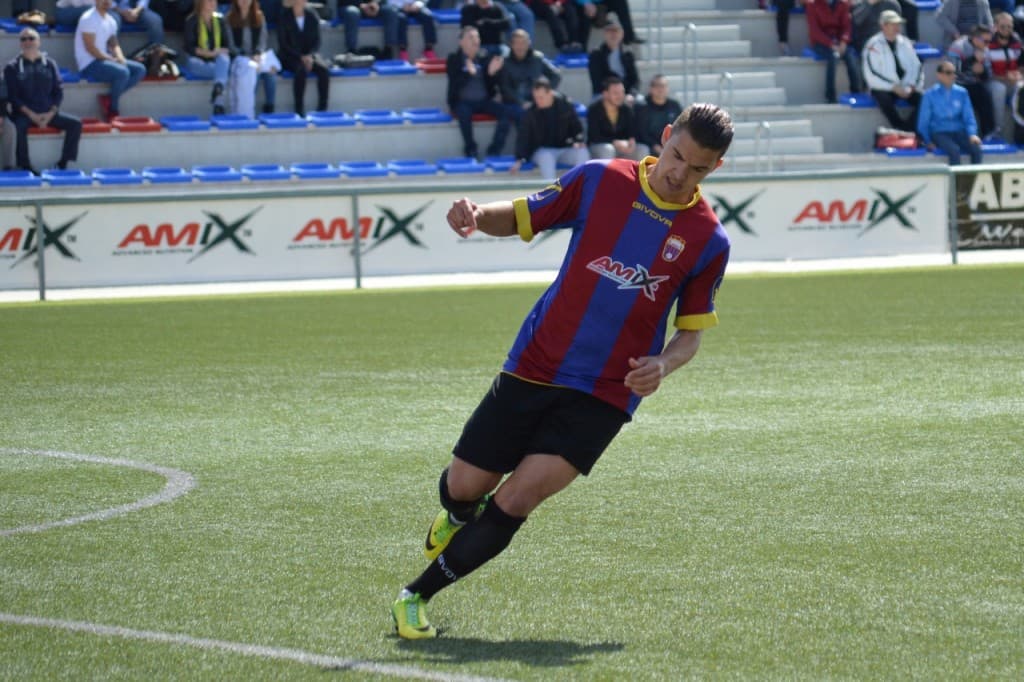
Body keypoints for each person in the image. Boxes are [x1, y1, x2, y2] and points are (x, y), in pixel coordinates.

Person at [390, 102, 734, 640]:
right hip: (536, 364)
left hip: (606, 394)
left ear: (714, 169)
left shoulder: (709, 240)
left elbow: (690, 333)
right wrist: (479, 216)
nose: (679, 172)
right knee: (464, 486)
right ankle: (458, 514)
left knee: (518, 497)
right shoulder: (600, 180)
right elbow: (525, 213)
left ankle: (416, 595)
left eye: (697, 168)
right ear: (665, 138)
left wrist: (663, 364)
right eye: (676, 156)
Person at [5, 28, 82, 174]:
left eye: (31, 38)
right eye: (23, 39)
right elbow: (13, 97)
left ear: (39, 42)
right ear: (20, 44)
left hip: (48, 113)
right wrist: (31, 115)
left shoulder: (50, 64)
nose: (27, 42)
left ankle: (63, 163)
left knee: (75, 124)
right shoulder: (12, 67)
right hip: (24, 114)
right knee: (18, 127)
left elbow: (58, 91)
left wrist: (51, 113)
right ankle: (25, 165)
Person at [447, 26, 513, 158]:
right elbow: (454, 82)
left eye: (477, 37)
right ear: (461, 42)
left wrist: (492, 73)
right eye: (470, 37)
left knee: (506, 113)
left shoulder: (484, 56)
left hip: (484, 101)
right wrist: (468, 74)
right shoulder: (453, 59)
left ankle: (494, 150)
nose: (475, 40)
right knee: (463, 114)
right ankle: (470, 148)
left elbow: (491, 83)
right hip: (462, 102)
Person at [75, 0, 147, 120]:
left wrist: (120, 57)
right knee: (123, 72)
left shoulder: (111, 20)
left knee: (140, 70)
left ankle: (109, 98)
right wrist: (110, 59)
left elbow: (113, 43)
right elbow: (90, 48)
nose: (106, 1)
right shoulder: (87, 18)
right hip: (89, 63)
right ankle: (112, 110)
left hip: (104, 60)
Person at [511, 76, 587, 178]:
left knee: (582, 152)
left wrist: (578, 140)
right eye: (536, 97)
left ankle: (580, 190)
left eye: (541, 97)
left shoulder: (565, 105)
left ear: (550, 93)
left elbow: (576, 127)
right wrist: (520, 158)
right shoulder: (531, 112)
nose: (538, 101)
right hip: (542, 151)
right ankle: (552, 192)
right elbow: (524, 137)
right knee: (546, 157)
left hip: (564, 148)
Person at [862, 9, 924, 131]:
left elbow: (916, 67)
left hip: (906, 86)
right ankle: (899, 127)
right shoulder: (872, 45)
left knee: (925, 100)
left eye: (898, 24)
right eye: (893, 24)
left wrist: (912, 86)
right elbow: (872, 74)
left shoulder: (905, 43)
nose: (897, 27)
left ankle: (907, 128)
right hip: (885, 88)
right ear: (884, 26)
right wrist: (893, 87)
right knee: (884, 99)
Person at [917, 59, 984, 163]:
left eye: (954, 72)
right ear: (939, 75)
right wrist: (927, 140)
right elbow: (923, 120)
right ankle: (956, 180)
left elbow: (969, 116)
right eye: (948, 73)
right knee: (954, 150)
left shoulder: (962, 92)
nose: (953, 76)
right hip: (939, 132)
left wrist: (972, 134)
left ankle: (971, 179)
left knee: (976, 149)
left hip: (959, 131)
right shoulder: (929, 95)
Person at [278, 0, 331, 116]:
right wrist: (300, 56)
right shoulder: (284, 16)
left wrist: (310, 56)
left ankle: (323, 108)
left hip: (309, 55)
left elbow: (317, 41)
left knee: (324, 70)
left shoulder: (312, 15)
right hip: (290, 56)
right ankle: (299, 108)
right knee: (300, 71)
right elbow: (283, 44)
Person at [498, 29, 561, 124]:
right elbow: (505, 88)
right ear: (511, 45)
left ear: (529, 44)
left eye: (523, 43)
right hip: (515, 103)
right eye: (517, 43)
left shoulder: (538, 58)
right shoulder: (505, 62)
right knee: (525, 115)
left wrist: (544, 93)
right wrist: (521, 102)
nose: (521, 46)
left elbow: (556, 75)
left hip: (537, 99)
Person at [806, 0, 864, 103]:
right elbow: (815, 31)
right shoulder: (812, 4)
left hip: (839, 42)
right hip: (821, 43)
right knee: (833, 56)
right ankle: (830, 96)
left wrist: (844, 41)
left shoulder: (843, 4)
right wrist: (831, 44)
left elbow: (847, 26)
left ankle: (856, 92)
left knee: (851, 56)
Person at [226, 0, 276, 116]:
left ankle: (269, 106)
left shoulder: (259, 17)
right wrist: (246, 56)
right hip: (240, 59)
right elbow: (231, 44)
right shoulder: (229, 18)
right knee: (252, 71)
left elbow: (262, 41)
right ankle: (250, 108)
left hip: (257, 56)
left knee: (271, 73)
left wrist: (257, 54)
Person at [948, 24, 1000, 137]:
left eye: (989, 41)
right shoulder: (958, 46)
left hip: (974, 83)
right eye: (986, 41)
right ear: (976, 38)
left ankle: (989, 132)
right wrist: (972, 61)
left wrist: (982, 72)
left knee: (985, 94)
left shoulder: (984, 49)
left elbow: (987, 75)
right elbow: (951, 70)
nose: (988, 44)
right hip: (957, 84)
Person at [183, 0, 233, 115]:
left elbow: (228, 46)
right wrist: (209, 53)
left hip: (216, 62)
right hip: (198, 61)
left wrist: (218, 52)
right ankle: (219, 90)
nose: (212, 4)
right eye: (209, 1)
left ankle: (218, 95)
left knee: (224, 59)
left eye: (214, 1)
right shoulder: (191, 21)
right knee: (222, 70)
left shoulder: (220, 20)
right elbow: (189, 48)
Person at [586, 75, 645, 159]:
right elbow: (594, 136)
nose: (620, 96)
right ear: (605, 94)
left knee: (642, 149)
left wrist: (632, 141)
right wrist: (614, 142)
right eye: (616, 93)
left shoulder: (626, 108)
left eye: (622, 92)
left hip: (623, 146)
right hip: (600, 146)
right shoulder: (594, 109)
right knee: (608, 149)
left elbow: (632, 130)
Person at [587, 17, 639, 100]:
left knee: (641, 103)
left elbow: (635, 80)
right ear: (604, 34)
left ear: (622, 34)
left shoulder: (628, 54)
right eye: (609, 31)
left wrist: (631, 95)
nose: (613, 34)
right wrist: (613, 94)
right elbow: (596, 81)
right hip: (604, 94)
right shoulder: (596, 54)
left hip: (626, 93)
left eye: (616, 31)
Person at [988, 11, 1022, 131]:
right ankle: (998, 130)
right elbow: (986, 74)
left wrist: (1019, 75)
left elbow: (1021, 64)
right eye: (1003, 26)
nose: (1006, 29)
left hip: (1012, 81)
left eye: (1009, 27)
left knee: (1021, 87)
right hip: (993, 81)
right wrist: (1005, 77)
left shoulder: (1016, 41)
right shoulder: (988, 44)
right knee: (999, 90)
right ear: (995, 27)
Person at [635, 74, 682, 155]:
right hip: (649, 146)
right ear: (651, 88)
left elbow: (681, 127)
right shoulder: (642, 107)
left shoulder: (675, 106)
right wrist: (654, 146)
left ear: (667, 88)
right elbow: (642, 133)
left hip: (670, 145)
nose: (660, 89)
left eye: (663, 86)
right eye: (657, 86)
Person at [575, 0, 645, 47]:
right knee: (584, 15)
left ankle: (629, 36)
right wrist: (586, 3)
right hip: (583, 3)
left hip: (600, 2)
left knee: (620, 2)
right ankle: (581, 48)